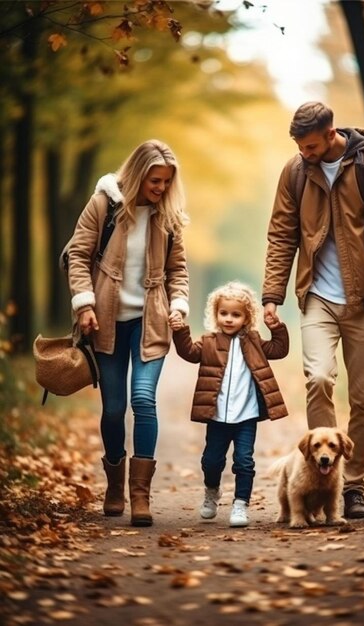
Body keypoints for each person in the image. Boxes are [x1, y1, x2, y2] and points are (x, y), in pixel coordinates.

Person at [262, 102, 364, 519]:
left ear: (331, 134)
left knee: (363, 396)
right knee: (319, 377)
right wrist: (272, 294)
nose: (304, 153)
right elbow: (280, 234)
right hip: (317, 298)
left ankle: (353, 485)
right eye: (299, 146)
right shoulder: (295, 172)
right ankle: (318, 482)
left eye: (310, 146)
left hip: (363, 298)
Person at [66, 140, 190, 527]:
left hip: (150, 322)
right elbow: (78, 255)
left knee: (143, 400)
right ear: (138, 175)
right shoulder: (103, 205)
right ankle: (115, 486)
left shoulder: (167, 216)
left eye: (167, 182)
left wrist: (179, 304)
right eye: (155, 180)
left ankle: (141, 496)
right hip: (105, 321)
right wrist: (84, 304)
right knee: (115, 407)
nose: (161, 188)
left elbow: (178, 271)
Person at [169, 281, 289, 527]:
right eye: (224, 313)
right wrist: (180, 332)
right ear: (216, 314)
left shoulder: (254, 341)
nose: (229, 319)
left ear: (246, 318)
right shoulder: (209, 341)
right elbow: (189, 353)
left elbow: (279, 349)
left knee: (244, 461)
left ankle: (240, 505)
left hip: (246, 416)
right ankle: (212, 492)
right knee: (211, 461)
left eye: (236, 315)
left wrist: (278, 329)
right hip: (217, 415)